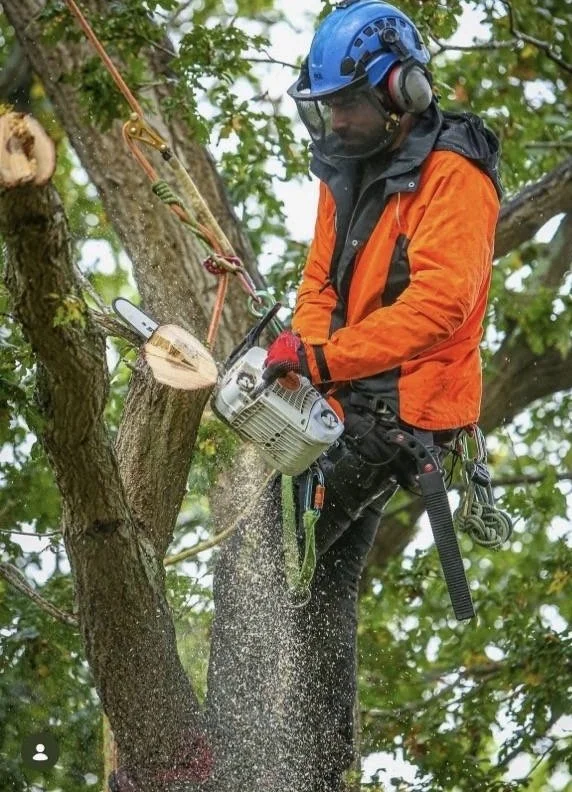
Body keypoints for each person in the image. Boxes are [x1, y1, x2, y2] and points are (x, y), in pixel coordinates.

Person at [262, 0, 502, 787]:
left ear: (402, 90)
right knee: (321, 591)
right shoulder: (343, 167)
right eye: (326, 107)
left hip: (399, 408)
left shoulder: (453, 177)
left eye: (349, 104)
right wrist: (300, 358)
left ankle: (245, 742)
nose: (336, 121)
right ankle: (320, 768)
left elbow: (441, 307)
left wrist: (324, 360)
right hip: (345, 392)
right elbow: (317, 282)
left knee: (263, 561)